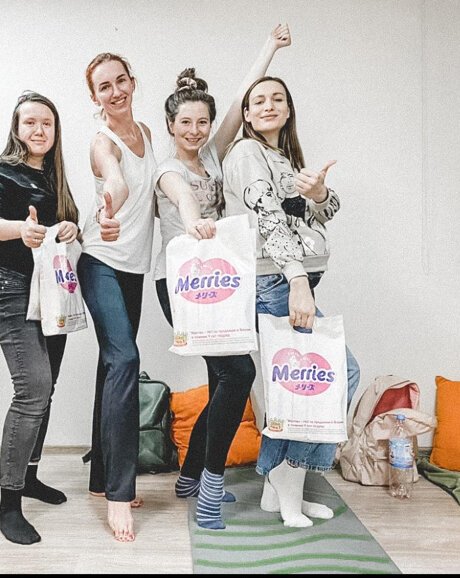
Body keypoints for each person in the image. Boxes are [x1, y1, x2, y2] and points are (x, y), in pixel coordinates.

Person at [153, 25, 291, 530]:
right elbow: (182, 197)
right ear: (171, 125)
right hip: (183, 288)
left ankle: (191, 476)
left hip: (223, 283)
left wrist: (270, 47)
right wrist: (194, 221)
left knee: (222, 381)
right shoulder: (167, 169)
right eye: (185, 123)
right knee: (239, 374)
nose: (194, 131)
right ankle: (210, 486)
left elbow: (240, 97)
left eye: (202, 122)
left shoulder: (213, 154)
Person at [222, 76, 361, 528]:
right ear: (246, 114)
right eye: (258, 100)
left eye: (277, 99)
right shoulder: (247, 153)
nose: (268, 105)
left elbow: (323, 212)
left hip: (287, 280)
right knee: (321, 381)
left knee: (300, 386)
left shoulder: (283, 157)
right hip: (276, 282)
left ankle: (277, 491)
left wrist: (318, 193)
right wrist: (297, 279)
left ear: (287, 109)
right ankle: (286, 484)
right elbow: (267, 217)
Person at [0, 91, 80, 546]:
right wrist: (20, 229)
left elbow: (66, 224)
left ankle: (30, 475)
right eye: (30, 122)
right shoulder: (1, 170)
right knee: (33, 388)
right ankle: (8, 504)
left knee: (46, 386)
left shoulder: (55, 175)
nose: (39, 130)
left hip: (50, 289)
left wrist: (71, 226)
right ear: (17, 129)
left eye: (47, 123)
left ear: (55, 131)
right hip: (8, 287)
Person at [76, 52, 157, 543]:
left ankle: (100, 478)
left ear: (132, 82)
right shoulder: (101, 142)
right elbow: (117, 179)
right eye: (104, 87)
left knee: (112, 365)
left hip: (133, 271)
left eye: (120, 81)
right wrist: (111, 205)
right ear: (95, 97)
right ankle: (119, 494)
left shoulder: (145, 132)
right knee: (126, 360)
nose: (115, 91)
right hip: (100, 262)